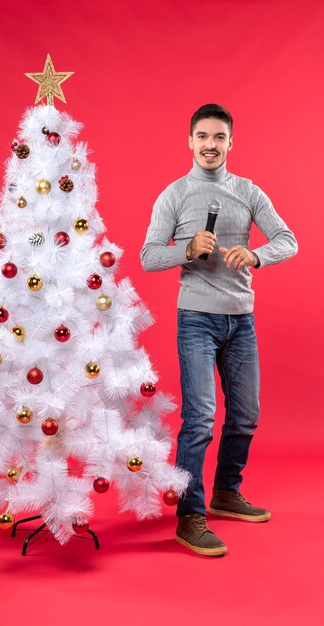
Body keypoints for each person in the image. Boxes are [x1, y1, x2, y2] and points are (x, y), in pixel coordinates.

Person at [140, 104, 298, 557]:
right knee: (200, 419)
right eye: (203, 136)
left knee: (246, 414)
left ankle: (226, 492)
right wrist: (187, 250)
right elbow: (150, 255)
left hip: (240, 318)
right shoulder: (174, 195)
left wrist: (256, 256)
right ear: (189, 142)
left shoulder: (248, 191)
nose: (211, 145)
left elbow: (288, 239)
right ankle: (190, 516)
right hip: (196, 318)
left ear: (231, 143)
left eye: (219, 137)